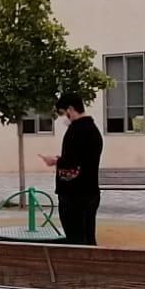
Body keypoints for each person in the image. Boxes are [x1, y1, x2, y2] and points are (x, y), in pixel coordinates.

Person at [43, 92, 103, 247]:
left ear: (70, 109)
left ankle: (79, 269)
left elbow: (71, 162)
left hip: (74, 194)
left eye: (63, 113)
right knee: (88, 237)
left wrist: (55, 160)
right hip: (91, 191)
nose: (64, 117)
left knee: (76, 239)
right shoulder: (93, 130)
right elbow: (82, 158)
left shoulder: (76, 131)